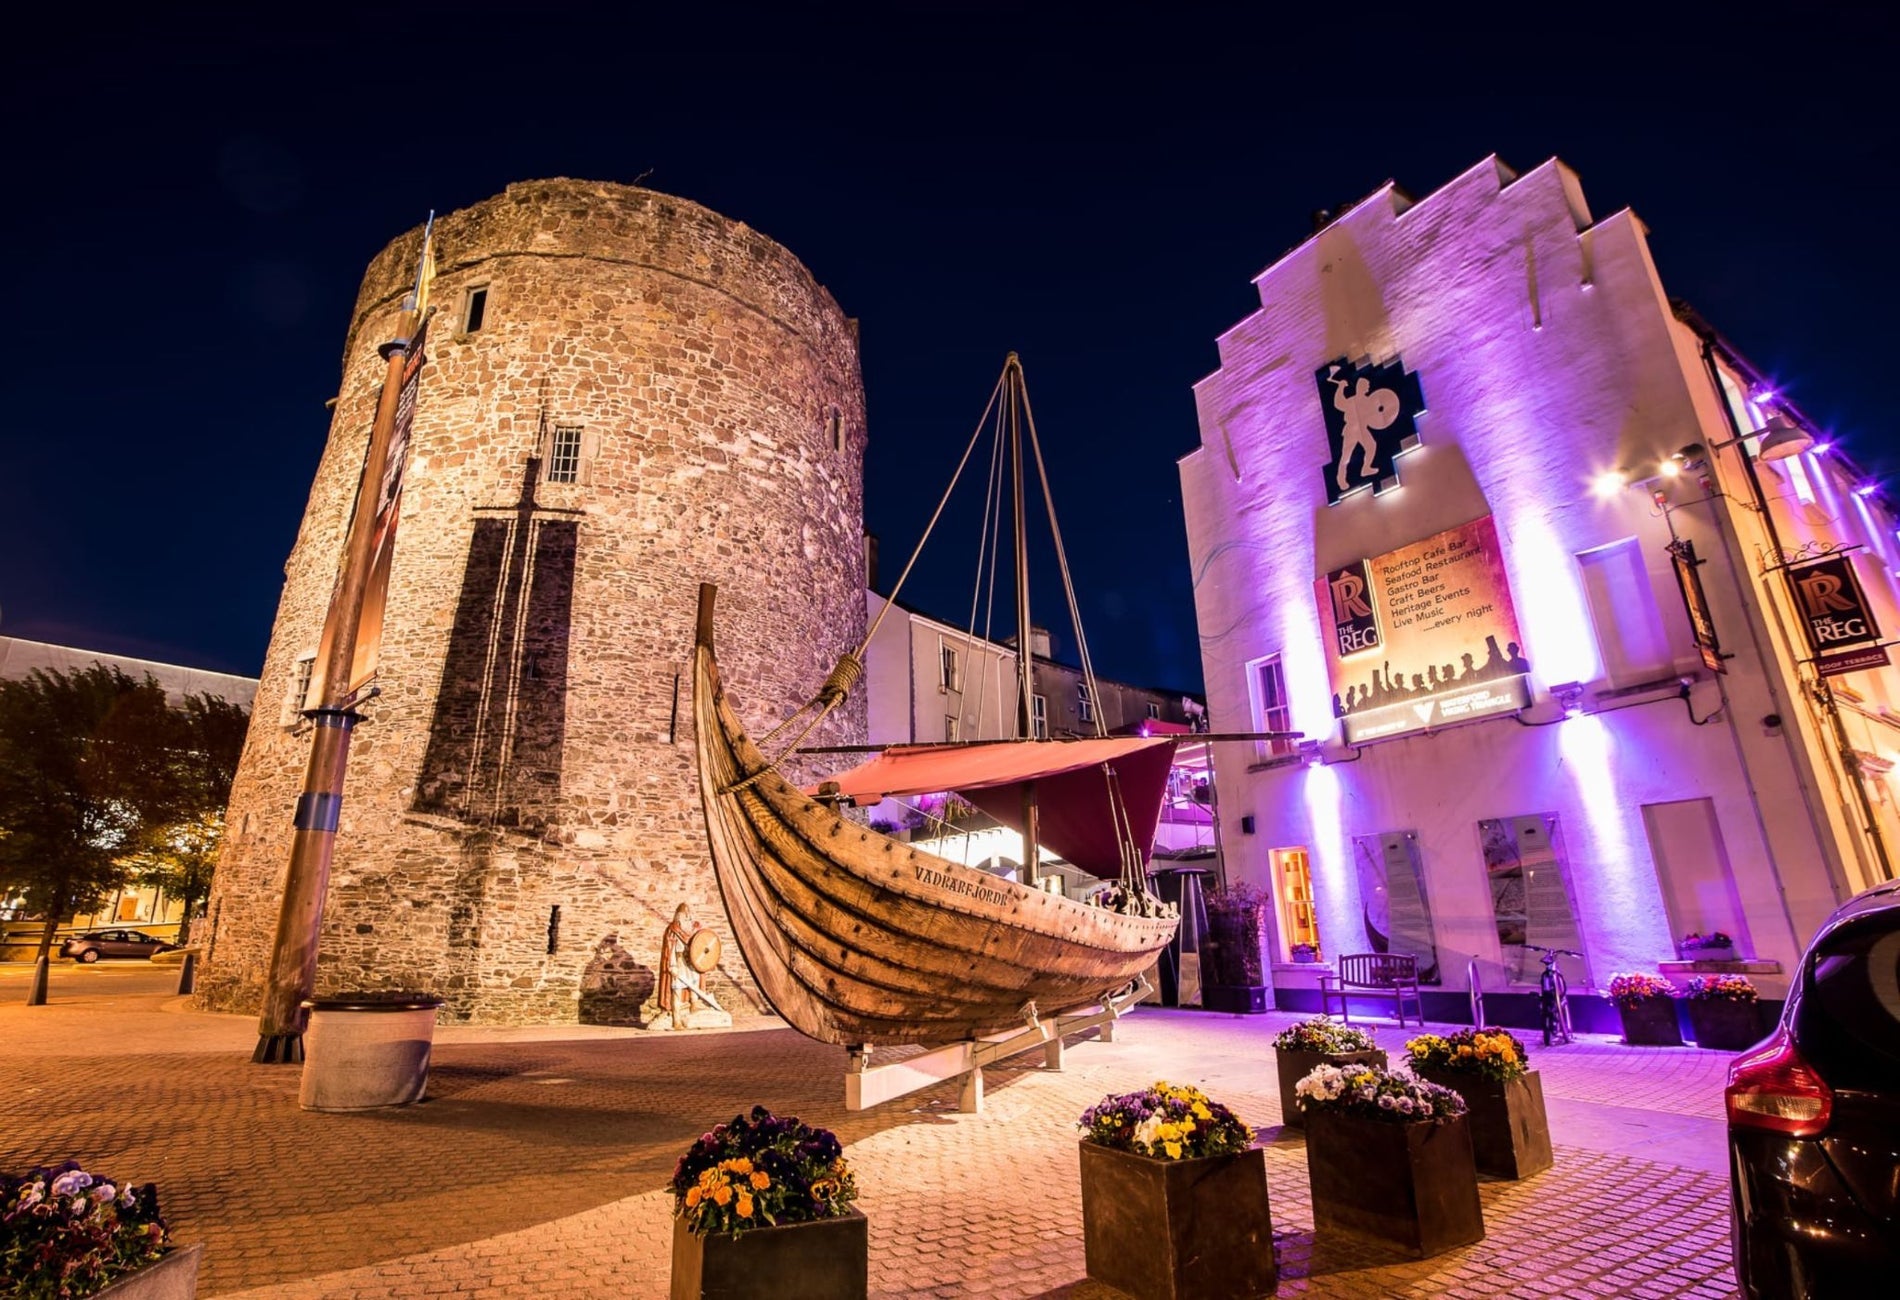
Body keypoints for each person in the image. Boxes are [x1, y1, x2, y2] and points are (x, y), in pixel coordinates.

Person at [658, 903, 723, 1029]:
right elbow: (670, 950)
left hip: (692, 963)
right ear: (678, 918)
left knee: (694, 988)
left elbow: (701, 944)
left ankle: (694, 1006)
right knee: (677, 991)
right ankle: (676, 1020)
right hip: (679, 963)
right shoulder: (673, 931)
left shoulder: (694, 929)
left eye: (689, 918)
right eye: (685, 918)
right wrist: (672, 965)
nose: (688, 920)